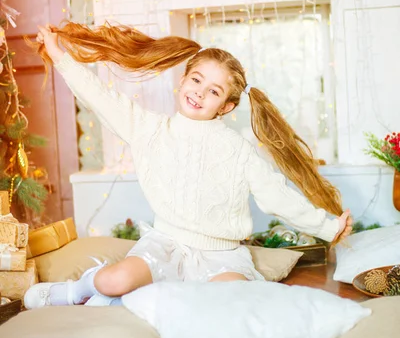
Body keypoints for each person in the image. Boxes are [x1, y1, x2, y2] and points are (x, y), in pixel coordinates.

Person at [24, 23, 352, 309]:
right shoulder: (149, 129)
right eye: (196, 80)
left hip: (222, 255)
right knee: (116, 279)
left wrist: (326, 227)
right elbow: (99, 96)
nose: (199, 93)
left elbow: (277, 196)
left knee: (232, 297)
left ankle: (129, 302)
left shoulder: (238, 151)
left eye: (213, 91)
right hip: (166, 246)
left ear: (225, 107)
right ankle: (75, 290)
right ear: (181, 81)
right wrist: (58, 55)